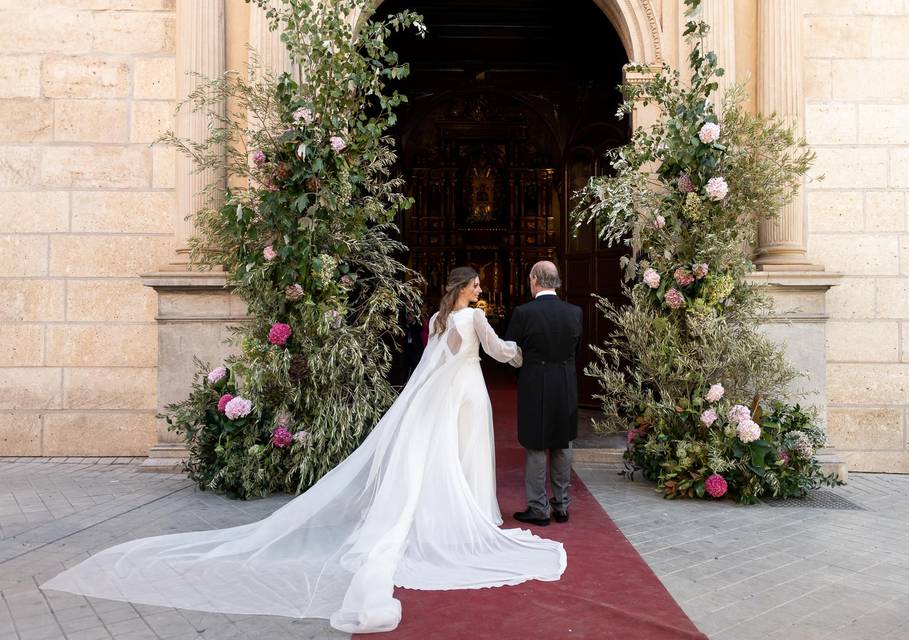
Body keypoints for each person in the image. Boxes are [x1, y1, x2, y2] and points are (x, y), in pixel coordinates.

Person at [42, 267, 566, 634]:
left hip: (438, 397)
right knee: (467, 452)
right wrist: (531, 354)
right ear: (466, 289)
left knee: (439, 457)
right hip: (469, 392)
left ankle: (448, 511)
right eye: (476, 285)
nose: (480, 290)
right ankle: (474, 512)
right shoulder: (472, 318)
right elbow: (499, 352)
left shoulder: (435, 321)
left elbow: (434, 361)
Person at [506, 261, 582, 527]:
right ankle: (562, 506)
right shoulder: (575, 312)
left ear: (535, 279)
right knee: (562, 443)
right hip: (565, 383)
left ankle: (538, 508)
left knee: (536, 445)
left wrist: (522, 368)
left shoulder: (524, 312)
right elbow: (576, 349)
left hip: (535, 382)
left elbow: (512, 352)